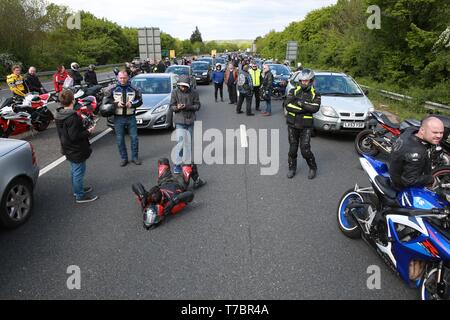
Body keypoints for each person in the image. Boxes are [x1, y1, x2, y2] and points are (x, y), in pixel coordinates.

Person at [132, 158, 207, 229]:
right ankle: (197, 181)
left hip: (164, 181)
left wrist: (142, 196)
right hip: (179, 183)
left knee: (163, 161)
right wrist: (174, 202)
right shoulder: (171, 208)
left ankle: (197, 181)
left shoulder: (149, 201)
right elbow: (190, 194)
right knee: (189, 163)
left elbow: (135, 184)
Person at [55, 89, 98, 203]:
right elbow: (74, 136)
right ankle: (80, 195)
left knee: (75, 170)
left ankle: (77, 189)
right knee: (79, 171)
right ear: (73, 100)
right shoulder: (72, 117)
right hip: (76, 149)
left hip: (67, 147)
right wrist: (89, 131)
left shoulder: (59, 114)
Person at [169, 75, 206, 188]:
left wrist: (188, 106)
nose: (183, 88)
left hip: (190, 120)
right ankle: (177, 165)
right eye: (181, 86)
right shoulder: (175, 92)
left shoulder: (194, 92)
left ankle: (188, 164)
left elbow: (198, 106)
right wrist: (178, 107)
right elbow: (171, 106)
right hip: (180, 120)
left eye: (185, 86)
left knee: (188, 144)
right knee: (180, 143)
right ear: (179, 85)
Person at [389, 117, 444, 190]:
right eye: (435, 132)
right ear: (422, 130)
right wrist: (431, 179)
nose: (439, 136)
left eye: (441, 132)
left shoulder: (410, 130)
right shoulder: (417, 152)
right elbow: (409, 180)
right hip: (401, 187)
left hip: (395, 169)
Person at [285, 68, 321, 180]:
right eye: (302, 81)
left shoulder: (315, 94)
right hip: (292, 124)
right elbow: (287, 105)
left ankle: (313, 168)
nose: (304, 83)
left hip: (306, 126)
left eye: (306, 81)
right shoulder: (293, 91)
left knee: (305, 150)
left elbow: (315, 108)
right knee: (292, 149)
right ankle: (292, 168)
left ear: (311, 81)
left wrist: (300, 103)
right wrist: (305, 108)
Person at [103, 71, 143, 166]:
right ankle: (124, 158)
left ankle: (135, 157)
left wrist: (132, 104)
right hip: (118, 118)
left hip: (131, 117)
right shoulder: (111, 89)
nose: (122, 80)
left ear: (128, 78)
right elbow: (106, 102)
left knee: (134, 138)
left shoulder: (135, 88)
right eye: (121, 78)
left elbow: (140, 101)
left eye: (124, 78)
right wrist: (116, 104)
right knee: (120, 139)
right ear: (117, 78)